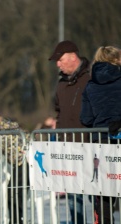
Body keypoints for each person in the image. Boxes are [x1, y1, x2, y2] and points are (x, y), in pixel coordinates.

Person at [49, 40, 91, 224]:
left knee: (99, 195)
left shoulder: (92, 78)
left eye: (60, 60)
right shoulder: (61, 85)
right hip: (69, 148)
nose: (57, 64)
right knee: (74, 195)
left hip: (92, 146)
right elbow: (58, 112)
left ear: (73, 57)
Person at [80, 45, 121, 223]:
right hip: (118, 136)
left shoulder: (90, 85)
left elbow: (86, 118)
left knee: (104, 190)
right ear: (117, 60)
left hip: (100, 141)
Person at [0, 113, 29, 224]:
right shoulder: (15, 126)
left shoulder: (0, 132)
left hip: (21, 163)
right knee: (18, 194)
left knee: (12, 195)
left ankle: (15, 220)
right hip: (29, 161)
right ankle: (17, 219)